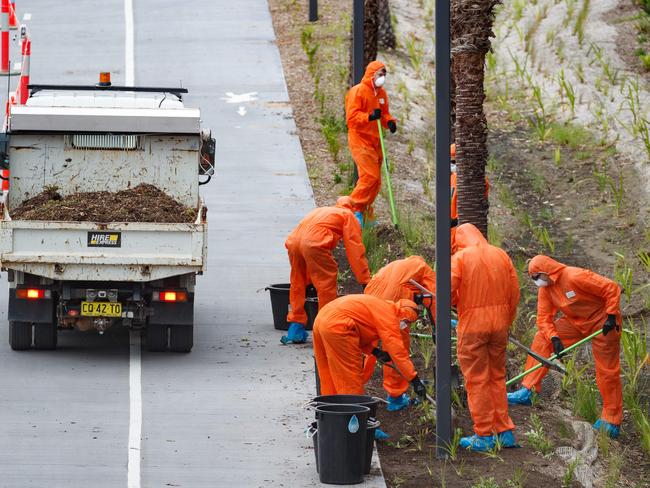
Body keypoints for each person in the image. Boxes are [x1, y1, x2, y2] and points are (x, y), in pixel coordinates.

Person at [508, 255, 623, 438]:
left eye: (536, 276)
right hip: (575, 323)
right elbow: (543, 319)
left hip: (603, 323)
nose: (535, 281)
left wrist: (610, 315)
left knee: (607, 371)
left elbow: (611, 288)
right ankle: (528, 390)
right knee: (542, 338)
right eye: (532, 278)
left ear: (547, 271)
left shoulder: (574, 276)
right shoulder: (546, 290)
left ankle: (611, 420)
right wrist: (554, 338)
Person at [451, 223, 520, 451]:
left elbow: (448, 292)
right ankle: (504, 431)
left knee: (477, 379)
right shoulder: (501, 255)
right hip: (500, 326)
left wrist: (456, 308)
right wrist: (505, 321)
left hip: (472, 328)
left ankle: (483, 434)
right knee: (497, 376)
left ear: (460, 240)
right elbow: (514, 293)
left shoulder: (461, 258)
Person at [281, 197, 371, 345]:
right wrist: (365, 280)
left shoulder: (322, 211)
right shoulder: (348, 216)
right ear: (353, 209)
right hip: (313, 243)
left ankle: (295, 328)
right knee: (326, 284)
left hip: (293, 242)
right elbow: (355, 251)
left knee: (298, 282)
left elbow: (305, 234)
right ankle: (325, 330)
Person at [313, 294, 427, 399]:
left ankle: (329, 409)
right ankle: (352, 413)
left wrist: (375, 351)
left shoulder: (383, 307)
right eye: (406, 322)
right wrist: (414, 380)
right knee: (350, 376)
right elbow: (398, 353)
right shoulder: (390, 317)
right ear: (403, 315)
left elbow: (358, 329)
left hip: (321, 319)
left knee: (326, 370)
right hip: (336, 325)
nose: (405, 326)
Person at [363, 256, 436, 412]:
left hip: (369, 299)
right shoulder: (423, 268)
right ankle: (396, 397)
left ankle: (355, 387)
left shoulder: (394, 264)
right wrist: (437, 326)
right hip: (395, 304)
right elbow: (434, 299)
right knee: (396, 348)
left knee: (368, 344)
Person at [345, 60, 397, 227]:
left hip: (375, 141)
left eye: (384, 74)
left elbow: (384, 114)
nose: (382, 77)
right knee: (370, 177)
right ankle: (352, 208)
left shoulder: (381, 94)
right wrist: (369, 117)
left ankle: (365, 212)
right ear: (371, 74)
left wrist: (389, 122)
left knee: (376, 181)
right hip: (360, 140)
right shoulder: (358, 91)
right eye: (380, 74)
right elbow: (351, 118)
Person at [450, 143, 490, 254]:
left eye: (454, 162)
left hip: (465, 231)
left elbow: (477, 206)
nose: (453, 165)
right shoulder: (452, 178)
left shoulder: (477, 181)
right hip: (452, 234)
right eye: (451, 162)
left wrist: (456, 221)